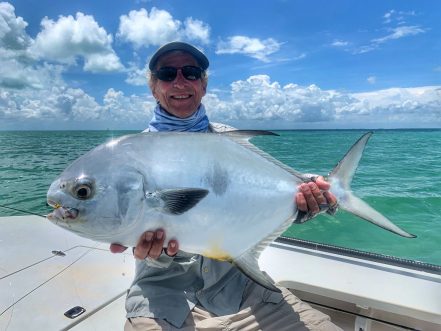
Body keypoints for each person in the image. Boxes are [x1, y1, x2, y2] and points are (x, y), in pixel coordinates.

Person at [111, 41, 342, 331]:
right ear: (154, 87)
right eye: (167, 73)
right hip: (162, 302)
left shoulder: (228, 140)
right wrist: (150, 254)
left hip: (244, 289)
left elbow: (270, 187)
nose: (179, 81)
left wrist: (317, 197)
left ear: (203, 85)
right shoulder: (132, 156)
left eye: (191, 72)